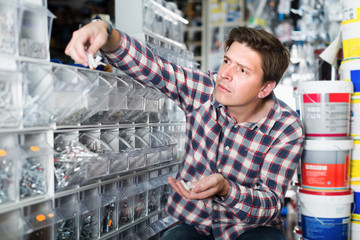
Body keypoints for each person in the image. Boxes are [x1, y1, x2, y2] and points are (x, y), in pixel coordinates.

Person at [65, 20, 304, 240]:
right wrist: (105, 32)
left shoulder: (285, 127)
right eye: (227, 61)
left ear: (265, 88)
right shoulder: (205, 90)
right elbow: (155, 68)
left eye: (242, 70)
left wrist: (227, 189)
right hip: (193, 224)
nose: (225, 75)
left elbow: (270, 203)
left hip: (249, 229)